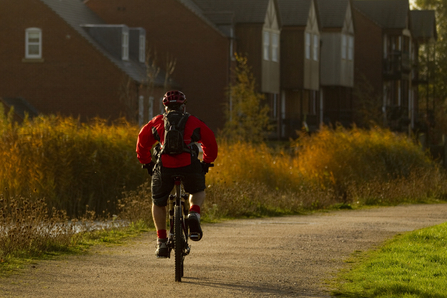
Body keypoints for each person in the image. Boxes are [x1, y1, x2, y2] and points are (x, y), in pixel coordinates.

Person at [136, 90, 218, 258]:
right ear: (183, 106)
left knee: (158, 202)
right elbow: (210, 141)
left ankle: (162, 242)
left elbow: (142, 143)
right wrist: (207, 162)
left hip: (164, 169)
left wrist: (147, 163)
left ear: (165, 107)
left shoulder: (157, 122)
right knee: (197, 190)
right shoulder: (193, 121)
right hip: (189, 167)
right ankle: (194, 213)